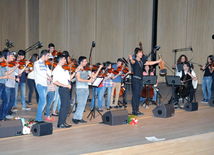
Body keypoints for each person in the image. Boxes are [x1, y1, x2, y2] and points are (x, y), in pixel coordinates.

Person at [129, 47, 162, 116]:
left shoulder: (142, 61)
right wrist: (131, 59)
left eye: (141, 52)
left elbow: (149, 63)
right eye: (139, 53)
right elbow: (132, 62)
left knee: (138, 95)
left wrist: (158, 61)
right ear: (136, 54)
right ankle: (134, 111)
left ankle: (137, 110)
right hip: (135, 79)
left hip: (141, 80)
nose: (141, 54)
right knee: (135, 95)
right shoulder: (135, 61)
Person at [53, 54, 76, 128]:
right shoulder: (56, 69)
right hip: (63, 89)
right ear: (60, 60)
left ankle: (63, 121)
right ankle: (60, 123)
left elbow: (69, 78)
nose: (65, 60)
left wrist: (75, 72)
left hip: (66, 88)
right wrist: (65, 85)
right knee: (64, 106)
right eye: (64, 59)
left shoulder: (63, 69)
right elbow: (55, 81)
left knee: (67, 106)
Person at [5, 51, 29, 118]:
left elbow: (19, 72)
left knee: (11, 101)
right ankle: (5, 114)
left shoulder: (13, 64)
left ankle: (8, 113)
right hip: (7, 85)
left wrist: (25, 66)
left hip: (12, 85)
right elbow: (7, 73)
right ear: (7, 56)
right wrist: (15, 68)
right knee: (7, 101)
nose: (13, 57)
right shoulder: (5, 64)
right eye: (12, 56)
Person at [72, 56, 96, 124]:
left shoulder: (86, 69)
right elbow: (79, 79)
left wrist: (98, 69)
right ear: (81, 62)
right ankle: (75, 117)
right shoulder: (78, 69)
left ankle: (80, 117)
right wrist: (88, 80)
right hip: (80, 88)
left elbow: (93, 77)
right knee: (80, 104)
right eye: (85, 61)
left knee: (83, 104)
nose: (86, 62)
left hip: (86, 89)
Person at [34, 50, 52, 122]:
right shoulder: (36, 63)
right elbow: (39, 72)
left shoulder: (45, 64)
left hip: (45, 84)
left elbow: (49, 73)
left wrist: (52, 73)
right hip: (39, 84)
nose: (48, 57)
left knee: (42, 101)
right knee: (43, 101)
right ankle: (38, 118)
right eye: (47, 55)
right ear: (43, 56)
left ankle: (38, 118)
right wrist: (47, 77)